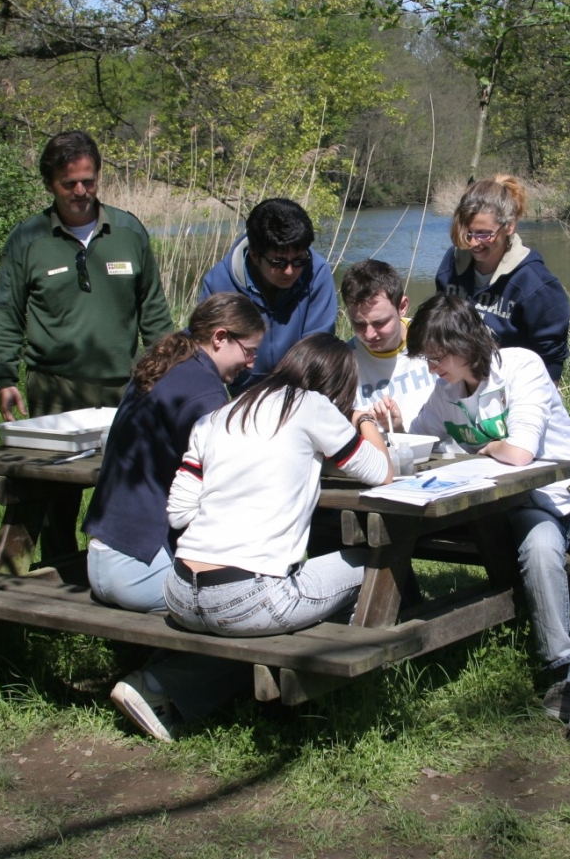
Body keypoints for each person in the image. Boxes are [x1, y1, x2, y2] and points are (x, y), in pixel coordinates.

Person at [405, 293, 570, 752]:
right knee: (539, 550)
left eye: (437, 357)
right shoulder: (447, 392)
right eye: (427, 359)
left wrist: (487, 447)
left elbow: (521, 450)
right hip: (533, 501)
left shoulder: (520, 366)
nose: (431, 368)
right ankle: (560, 668)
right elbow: (420, 441)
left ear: (465, 343)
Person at [84, 292, 266, 741]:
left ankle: (164, 670)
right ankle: (159, 689)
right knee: (255, 610)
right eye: (248, 352)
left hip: (104, 554)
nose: (249, 364)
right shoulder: (202, 390)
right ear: (220, 337)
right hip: (140, 566)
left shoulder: (168, 364)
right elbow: (233, 480)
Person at [0, 130, 174, 554]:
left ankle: (129, 569)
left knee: (135, 484)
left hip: (125, 386)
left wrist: (168, 373)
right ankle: (59, 574)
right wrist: (3, 375)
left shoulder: (128, 231)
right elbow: (7, 314)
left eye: (89, 181)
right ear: (49, 184)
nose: (81, 192)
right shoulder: (27, 240)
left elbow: (154, 312)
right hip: (55, 388)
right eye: (69, 183)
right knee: (57, 496)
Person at [163, 334, 393, 639]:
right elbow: (382, 471)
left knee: (228, 628)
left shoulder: (219, 415)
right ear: (338, 386)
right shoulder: (312, 405)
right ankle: (359, 663)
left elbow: (178, 514)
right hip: (251, 596)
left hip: (178, 591)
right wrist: (364, 419)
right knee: (375, 564)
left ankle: (152, 681)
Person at [433, 174, 570, 382]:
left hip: (516, 386)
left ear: (510, 226)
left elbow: (551, 358)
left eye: (484, 233)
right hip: (461, 383)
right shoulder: (451, 264)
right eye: (468, 233)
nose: (473, 243)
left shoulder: (536, 283)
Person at [199, 197, 337, 390]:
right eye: (278, 263)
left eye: (298, 261)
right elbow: (207, 354)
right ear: (255, 256)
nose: (289, 271)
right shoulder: (219, 282)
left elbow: (317, 347)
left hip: (301, 391)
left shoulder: (318, 272)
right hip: (242, 393)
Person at [339, 258, 436, 430]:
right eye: (359, 324)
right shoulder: (342, 362)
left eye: (380, 322)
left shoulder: (434, 341)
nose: (369, 334)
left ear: (402, 306)